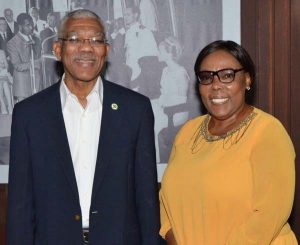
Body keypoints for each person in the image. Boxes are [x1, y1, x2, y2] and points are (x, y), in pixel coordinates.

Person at [7, 9, 160, 245]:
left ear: (106, 50)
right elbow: (20, 205)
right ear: (58, 49)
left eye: (96, 40)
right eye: (75, 39)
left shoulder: (135, 110)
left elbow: (147, 197)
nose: (87, 48)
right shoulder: (29, 114)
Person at [159, 40, 297, 244]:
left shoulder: (268, 132)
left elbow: (268, 215)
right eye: (206, 77)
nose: (215, 85)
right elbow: (166, 202)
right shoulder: (187, 132)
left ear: (247, 80)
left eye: (227, 76)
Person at [152, 36, 190, 163]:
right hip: (165, 107)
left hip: (177, 112)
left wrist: (162, 105)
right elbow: (164, 94)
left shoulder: (181, 73)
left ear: (168, 54)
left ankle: (156, 163)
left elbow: (182, 101)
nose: (157, 53)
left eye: (160, 51)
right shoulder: (165, 70)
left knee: (150, 122)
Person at [7, 13, 42, 102]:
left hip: (37, 83)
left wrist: (35, 45)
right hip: (23, 86)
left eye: (32, 25)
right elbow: (18, 66)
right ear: (20, 27)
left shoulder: (36, 39)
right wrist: (35, 64)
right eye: (27, 25)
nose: (31, 28)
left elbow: (40, 56)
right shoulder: (12, 43)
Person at [0, 49, 13, 114]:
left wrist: (3, 69)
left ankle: (7, 107)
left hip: (4, 74)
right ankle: (6, 107)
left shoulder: (2, 52)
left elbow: (7, 65)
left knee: (4, 84)